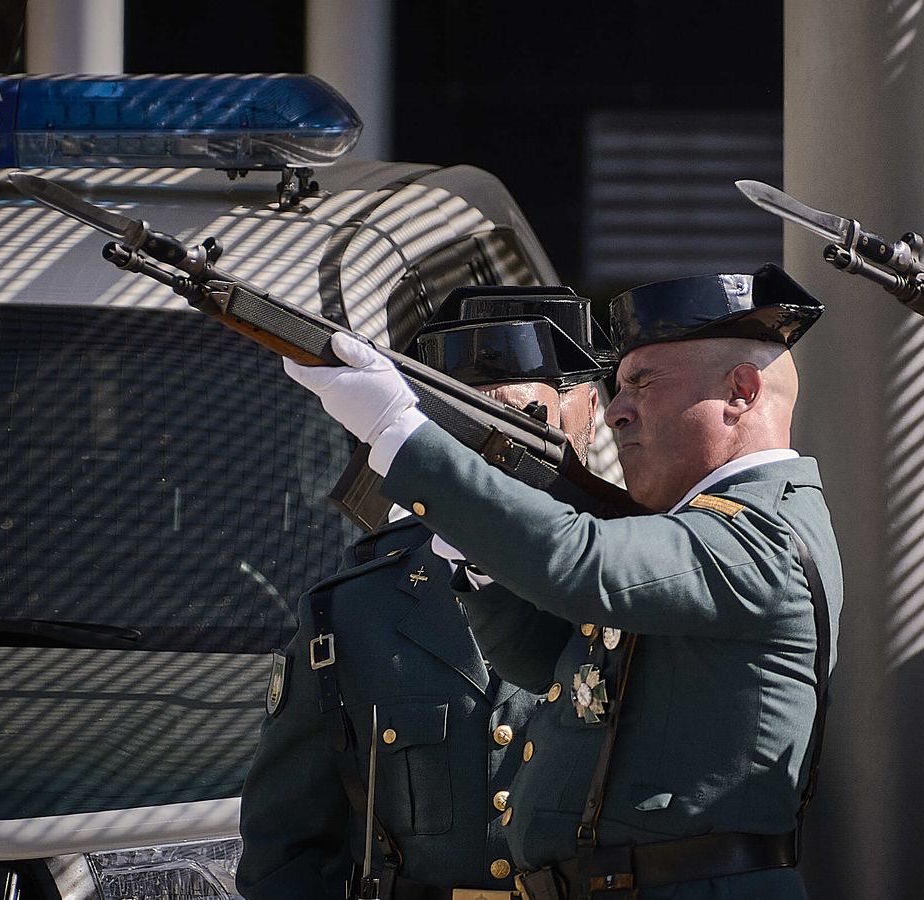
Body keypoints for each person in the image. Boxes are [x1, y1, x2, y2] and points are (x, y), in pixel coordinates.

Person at [282, 263, 844, 900]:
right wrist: (481, 556)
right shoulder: (698, 530)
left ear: (742, 391)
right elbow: (546, 663)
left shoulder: (762, 536)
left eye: (641, 382)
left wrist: (399, 434)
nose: (616, 413)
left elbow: (580, 562)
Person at [237, 288, 612, 899]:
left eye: (525, 420)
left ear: (588, 414)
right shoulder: (353, 614)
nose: (497, 456)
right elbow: (285, 851)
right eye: (471, 429)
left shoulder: (635, 586)